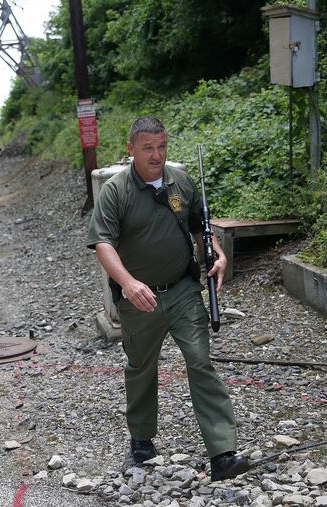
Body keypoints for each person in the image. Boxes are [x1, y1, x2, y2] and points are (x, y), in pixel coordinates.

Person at [87, 116, 249, 481]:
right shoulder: (116, 191)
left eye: (162, 146)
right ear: (131, 150)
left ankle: (223, 452)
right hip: (139, 300)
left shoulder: (181, 181)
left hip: (182, 290)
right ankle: (142, 439)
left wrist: (217, 254)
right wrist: (128, 283)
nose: (156, 155)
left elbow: (199, 228)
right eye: (148, 148)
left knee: (200, 361)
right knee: (141, 368)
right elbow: (102, 243)